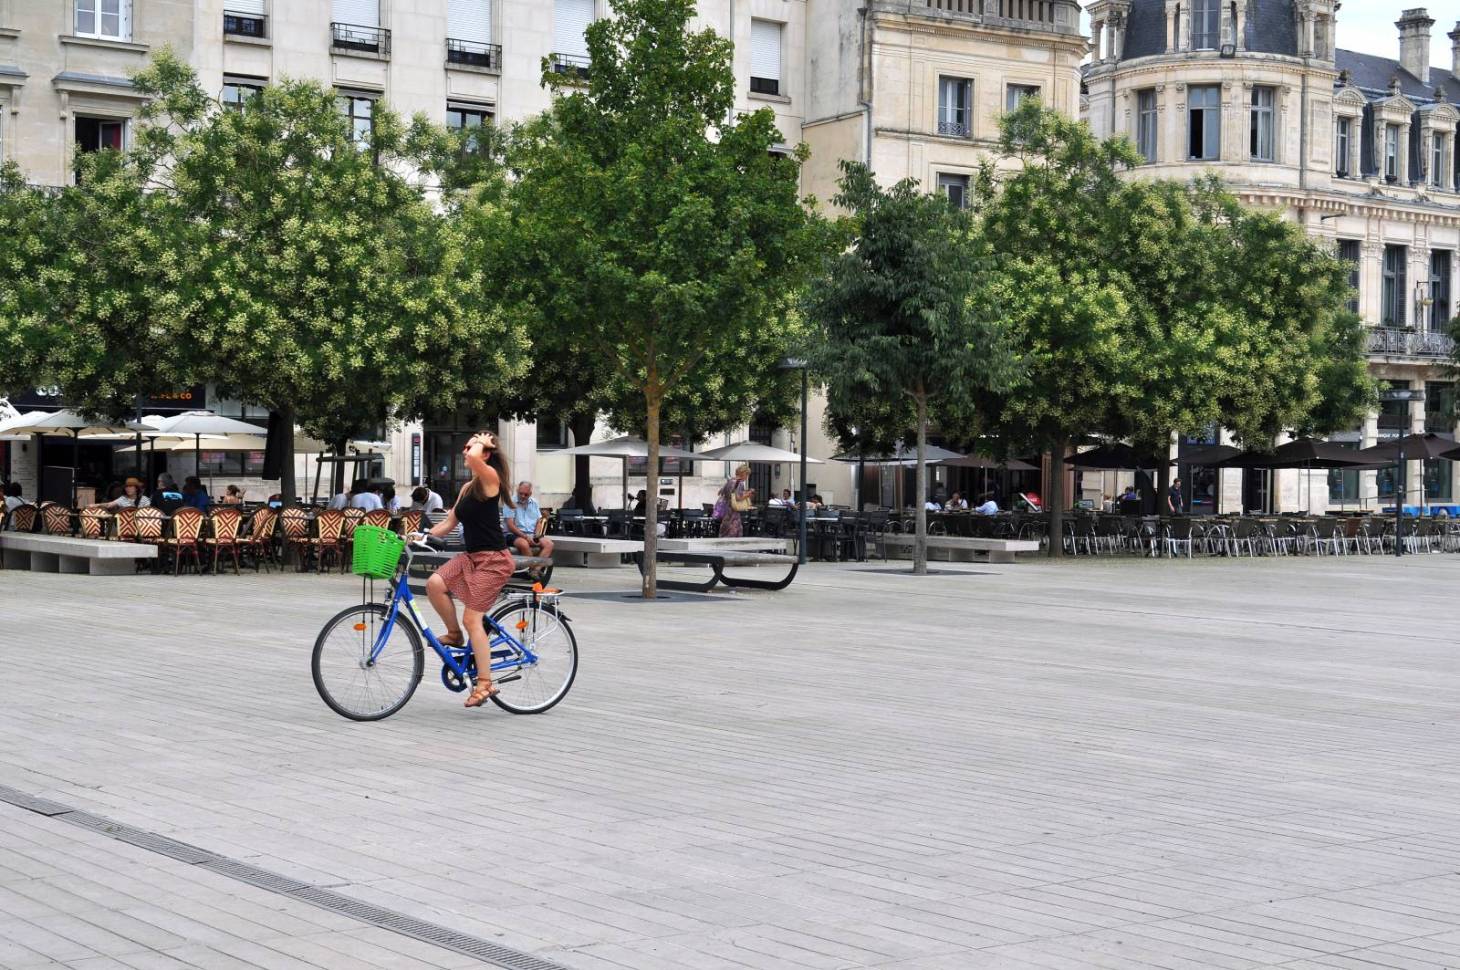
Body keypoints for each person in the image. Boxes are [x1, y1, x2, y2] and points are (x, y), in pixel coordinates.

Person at [419, 431, 517, 709]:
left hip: (494, 561)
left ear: (485, 454)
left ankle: (485, 683)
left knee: (473, 619)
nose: (465, 451)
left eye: (470, 447)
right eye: (465, 447)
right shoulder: (467, 488)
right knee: (434, 585)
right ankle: (453, 635)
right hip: (471, 556)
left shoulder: (490, 479)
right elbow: (449, 523)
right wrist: (422, 536)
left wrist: (484, 441)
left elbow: (475, 457)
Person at [502, 480, 555, 562]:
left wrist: (536, 536)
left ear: (530, 494)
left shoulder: (534, 503)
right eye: (521, 493)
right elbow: (511, 525)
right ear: (517, 490)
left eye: (526, 494)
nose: (523, 496)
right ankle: (532, 568)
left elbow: (538, 521)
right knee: (524, 544)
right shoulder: (510, 502)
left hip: (531, 534)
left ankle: (536, 570)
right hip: (513, 534)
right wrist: (526, 537)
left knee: (549, 544)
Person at [717, 464, 754, 537]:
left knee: (725, 531)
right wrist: (748, 494)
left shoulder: (730, 481)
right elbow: (738, 498)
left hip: (726, 510)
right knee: (734, 532)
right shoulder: (739, 483)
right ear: (743, 473)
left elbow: (720, 493)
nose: (747, 477)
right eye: (747, 474)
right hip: (734, 511)